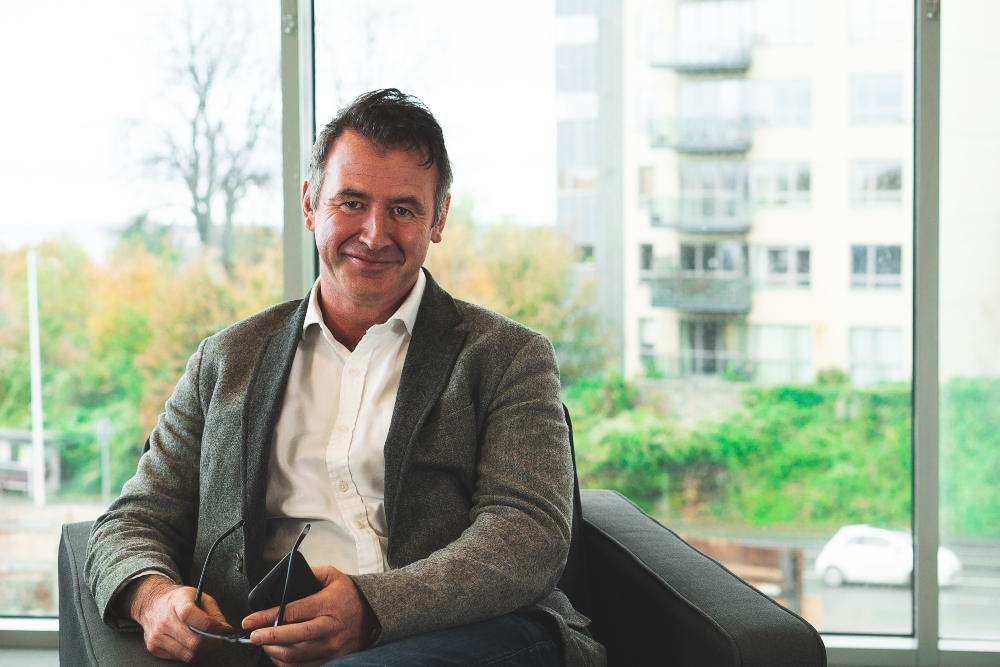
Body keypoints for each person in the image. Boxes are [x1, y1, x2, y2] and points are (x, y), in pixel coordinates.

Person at [86, 88, 606, 667]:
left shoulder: (509, 357)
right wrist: (152, 597)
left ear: (439, 219)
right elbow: (133, 521)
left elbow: (528, 536)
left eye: (403, 209)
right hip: (263, 647)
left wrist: (371, 608)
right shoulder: (225, 360)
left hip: (470, 636)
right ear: (311, 205)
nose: (374, 233)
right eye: (351, 202)